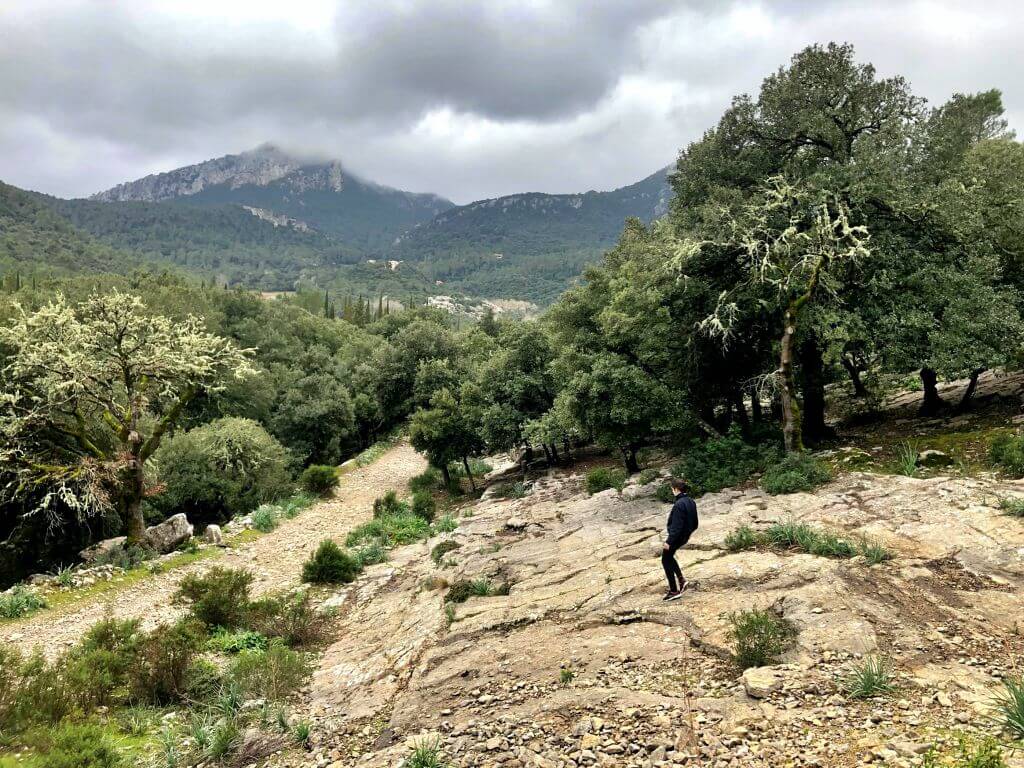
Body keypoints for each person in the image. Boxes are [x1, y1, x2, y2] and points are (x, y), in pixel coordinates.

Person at [662, 477, 698, 601]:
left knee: (665, 560)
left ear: (676, 489)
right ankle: (681, 580)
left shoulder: (679, 504)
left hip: (677, 537)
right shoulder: (691, 501)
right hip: (685, 535)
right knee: (669, 557)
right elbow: (695, 523)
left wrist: (669, 541)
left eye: (672, 489)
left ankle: (674, 590)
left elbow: (676, 527)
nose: (672, 491)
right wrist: (687, 533)